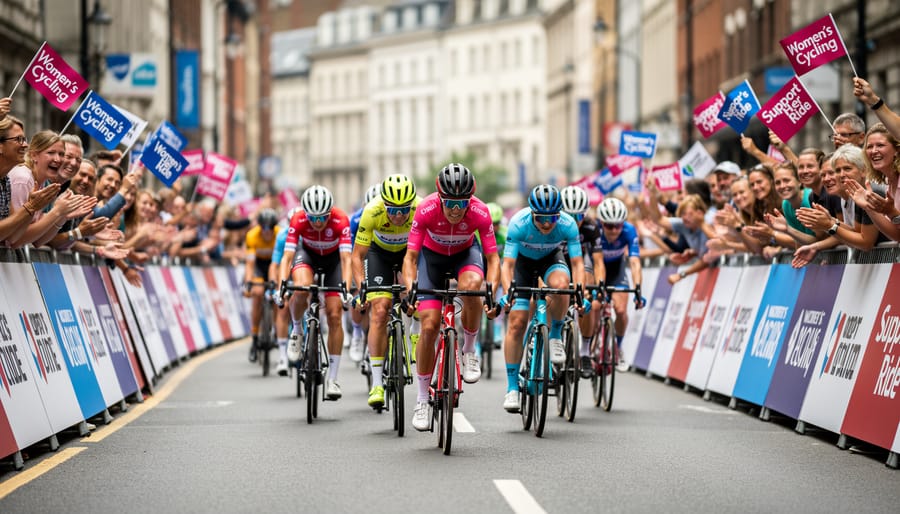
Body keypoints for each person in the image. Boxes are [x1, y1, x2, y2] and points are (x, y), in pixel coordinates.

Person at [402, 163, 500, 430]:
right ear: (440, 198)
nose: (456, 210)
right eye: (450, 203)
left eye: (462, 203)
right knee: (430, 326)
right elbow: (410, 258)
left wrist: (490, 292)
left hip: (464, 256)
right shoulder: (426, 210)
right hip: (430, 260)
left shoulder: (480, 211)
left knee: (472, 286)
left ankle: (468, 350)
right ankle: (422, 399)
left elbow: (492, 258)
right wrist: (411, 289)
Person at [497, 185, 585, 412]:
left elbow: (576, 264)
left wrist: (580, 292)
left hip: (550, 259)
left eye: (553, 218)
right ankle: (512, 388)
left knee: (562, 286)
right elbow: (507, 265)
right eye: (541, 218)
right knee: (516, 323)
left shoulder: (568, 224)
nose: (547, 224)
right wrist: (509, 292)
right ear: (532, 213)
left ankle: (555, 336)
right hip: (523, 266)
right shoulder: (518, 224)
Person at [352, 174, 420, 409]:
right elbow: (357, 256)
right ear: (384, 204)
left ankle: (415, 334)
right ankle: (377, 383)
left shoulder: (420, 209)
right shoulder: (372, 211)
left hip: (408, 254)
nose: (399, 216)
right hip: (378, 253)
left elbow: (428, 252)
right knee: (380, 310)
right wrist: (362, 286)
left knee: (418, 298)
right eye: (393, 210)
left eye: (404, 210)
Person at [278, 185, 352, 400]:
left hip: (333, 262)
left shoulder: (341, 220)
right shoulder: (298, 219)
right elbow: (287, 257)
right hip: (307, 256)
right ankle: (298, 330)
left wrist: (346, 288)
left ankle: (333, 379)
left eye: (323, 218)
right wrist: (283, 284)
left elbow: (346, 260)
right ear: (306, 213)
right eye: (313, 217)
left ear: (330, 213)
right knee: (300, 290)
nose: (318, 222)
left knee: (335, 314)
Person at [6, 130, 94, 248]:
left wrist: (62, 217)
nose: (57, 159)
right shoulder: (23, 179)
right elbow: (15, 239)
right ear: (34, 155)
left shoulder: (42, 184)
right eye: (51, 152)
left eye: (61, 154)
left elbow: (38, 241)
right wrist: (56, 212)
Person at [594, 197, 645, 371]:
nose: (614, 230)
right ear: (601, 222)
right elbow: (592, 261)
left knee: (621, 310)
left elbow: (635, 262)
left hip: (616, 269)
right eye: (609, 225)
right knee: (593, 306)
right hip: (595, 266)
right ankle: (588, 344)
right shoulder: (594, 230)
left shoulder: (629, 231)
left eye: (618, 225)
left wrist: (638, 289)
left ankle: (618, 347)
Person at [559, 186, 604, 377]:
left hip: (580, 266)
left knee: (589, 301)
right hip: (558, 264)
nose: (574, 221)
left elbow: (598, 261)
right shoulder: (554, 226)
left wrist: (599, 285)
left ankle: (585, 351)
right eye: (569, 215)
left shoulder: (591, 227)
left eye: (579, 216)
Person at [0, 116, 58, 244]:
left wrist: (31, 208)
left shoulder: (5, 181)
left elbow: (12, 237)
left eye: (24, 139)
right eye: (18, 140)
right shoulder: (22, 178)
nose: (25, 145)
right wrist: (31, 207)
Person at [347, 184, 381, 363]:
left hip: (386, 253)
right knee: (360, 294)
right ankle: (357, 333)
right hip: (364, 254)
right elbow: (354, 255)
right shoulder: (356, 219)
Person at [244, 208, 280, 363]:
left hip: (274, 264)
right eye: (264, 228)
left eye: (270, 228)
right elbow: (250, 263)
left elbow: (280, 262)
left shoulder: (279, 234)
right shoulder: (252, 236)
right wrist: (248, 282)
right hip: (258, 266)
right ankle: (255, 337)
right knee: (257, 293)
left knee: (279, 296)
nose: (267, 232)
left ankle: (277, 333)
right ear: (259, 227)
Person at [269, 207, 300, 375]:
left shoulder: (308, 233)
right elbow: (276, 264)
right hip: (287, 273)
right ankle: (282, 357)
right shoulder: (282, 236)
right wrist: (276, 285)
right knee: (283, 308)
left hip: (305, 271)